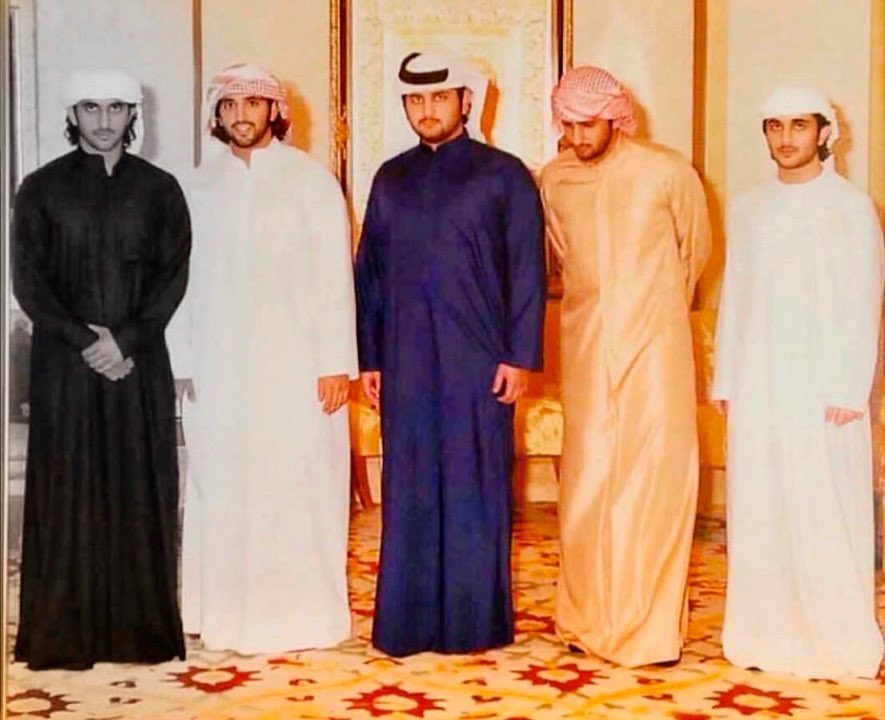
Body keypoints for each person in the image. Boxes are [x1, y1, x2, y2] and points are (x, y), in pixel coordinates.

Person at [355, 48, 546, 656]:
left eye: (439, 97)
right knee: (408, 484)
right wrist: (370, 358)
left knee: (475, 485)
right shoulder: (390, 179)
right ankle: (406, 625)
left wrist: (520, 356)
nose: (427, 110)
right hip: (406, 359)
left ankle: (473, 624)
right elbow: (370, 275)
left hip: (479, 361)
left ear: (466, 100)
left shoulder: (505, 175)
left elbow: (528, 270)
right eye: (415, 99)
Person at [173, 63, 358, 654]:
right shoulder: (197, 187)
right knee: (221, 483)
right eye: (230, 105)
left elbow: (334, 276)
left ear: (275, 111)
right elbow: (180, 281)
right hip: (219, 364)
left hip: (296, 366)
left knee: (297, 483)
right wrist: (183, 362)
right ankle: (222, 616)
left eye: (253, 104)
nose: (241, 115)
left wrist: (336, 362)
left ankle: (303, 619)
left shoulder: (311, 182)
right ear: (218, 114)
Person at [12, 69, 189, 669]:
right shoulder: (40, 189)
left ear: (133, 114)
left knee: (139, 491)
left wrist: (127, 340)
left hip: (137, 364)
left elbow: (173, 277)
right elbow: (29, 283)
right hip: (65, 367)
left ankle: (141, 636)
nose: (104, 120)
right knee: (68, 495)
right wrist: (88, 341)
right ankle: (63, 639)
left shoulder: (160, 190)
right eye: (91, 108)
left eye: (116, 108)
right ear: (73, 114)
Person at [540, 66, 712, 666]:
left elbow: (695, 251)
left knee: (653, 483)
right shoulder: (554, 179)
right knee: (586, 482)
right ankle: (586, 618)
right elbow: (564, 256)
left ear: (616, 117)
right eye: (568, 126)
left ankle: (648, 631)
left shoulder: (667, 171)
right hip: (586, 347)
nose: (578, 137)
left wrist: (653, 309)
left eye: (589, 125)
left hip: (657, 348)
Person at [711, 86, 885, 678]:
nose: (786, 138)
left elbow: (864, 299)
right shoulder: (749, 207)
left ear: (823, 132)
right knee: (761, 507)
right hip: (758, 381)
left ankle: (836, 639)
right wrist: (727, 377)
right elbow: (737, 294)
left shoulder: (850, 208)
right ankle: (764, 635)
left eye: (799, 126)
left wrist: (848, 388)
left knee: (823, 505)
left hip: (824, 387)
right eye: (775, 126)